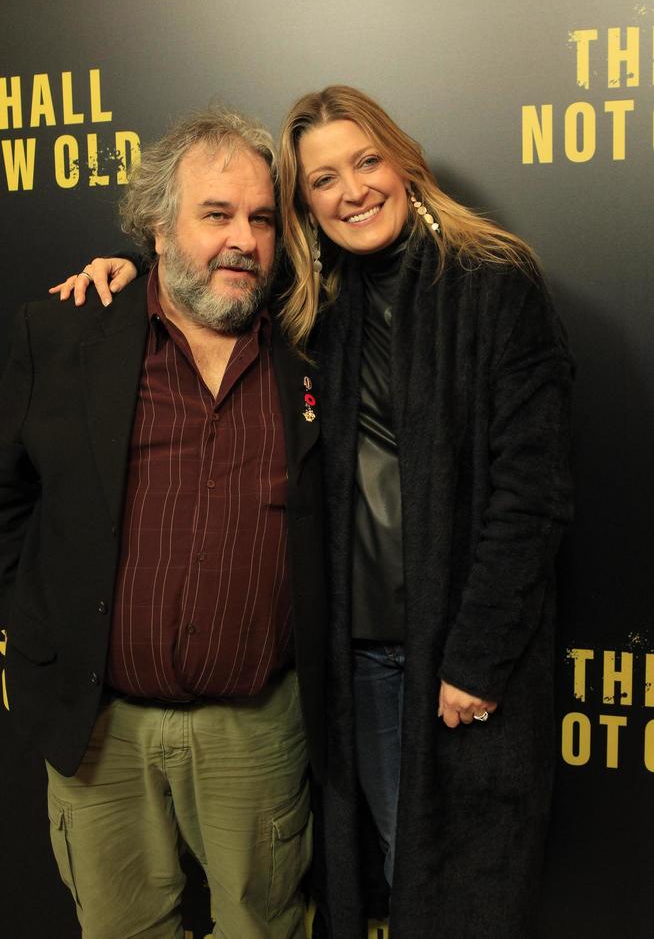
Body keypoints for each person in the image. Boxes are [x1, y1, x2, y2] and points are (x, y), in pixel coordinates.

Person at [55, 85, 574, 939]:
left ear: (405, 163)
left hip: (459, 657)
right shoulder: (311, 300)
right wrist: (124, 273)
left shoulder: (493, 283)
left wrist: (478, 653)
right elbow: (200, 269)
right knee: (391, 878)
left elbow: (535, 488)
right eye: (322, 179)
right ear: (305, 206)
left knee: (460, 891)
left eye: (366, 162)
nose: (351, 191)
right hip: (355, 659)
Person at [0, 108, 328, 939]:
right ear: (157, 225)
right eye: (215, 214)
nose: (243, 240)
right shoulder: (66, 333)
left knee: (266, 928)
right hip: (99, 731)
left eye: (260, 218)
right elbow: (10, 503)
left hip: (256, 731)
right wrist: (39, 620)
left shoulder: (314, 342)